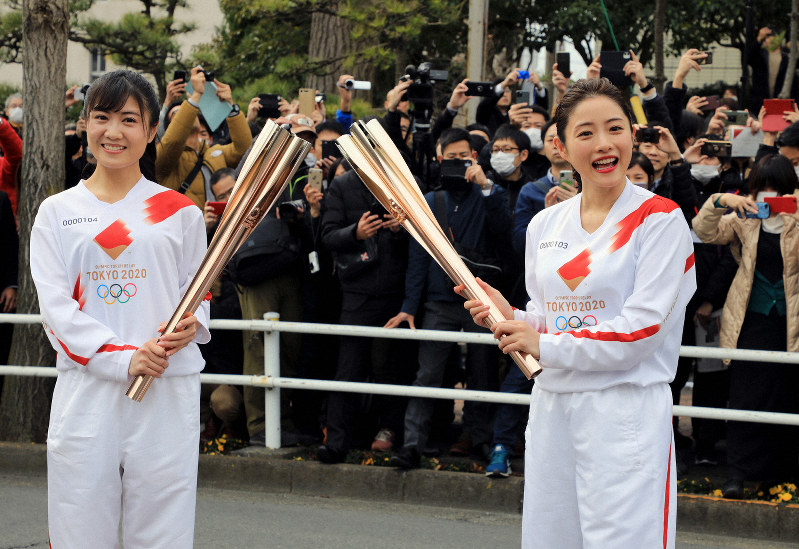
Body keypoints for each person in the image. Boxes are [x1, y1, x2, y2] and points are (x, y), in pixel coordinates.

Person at [462, 78, 695, 548]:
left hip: (623, 411)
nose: (604, 144)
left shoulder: (661, 220)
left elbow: (641, 331)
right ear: (561, 146)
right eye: (586, 133)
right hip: (553, 408)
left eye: (615, 128)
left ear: (633, 135)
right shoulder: (545, 225)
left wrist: (542, 341)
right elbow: (556, 318)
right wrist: (514, 318)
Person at [30, 70, 210, 548]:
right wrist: (122, 356)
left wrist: (191, 326)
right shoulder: (57, 213)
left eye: (130, 119)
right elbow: (55, 308)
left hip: (166, 387)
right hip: (89, 390)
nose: (114, 131)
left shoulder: (179, 212)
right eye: (102, 117)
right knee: (79, 524)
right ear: (85, 123)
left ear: (151, 131)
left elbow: (198, 291)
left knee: (163, 528)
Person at [388, 128, 509, 468]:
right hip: (438, 302)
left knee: (483, 375)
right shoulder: (430, 200)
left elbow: (504, 231)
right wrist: (410, 308)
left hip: (481, 302)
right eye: (451, 158)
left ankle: (481, 441)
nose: (458, 164)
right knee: (427, 375)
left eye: (464, 157)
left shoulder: (487, 195)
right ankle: (412, 445)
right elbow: (418, 259)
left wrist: (485, 185)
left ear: (474, 158)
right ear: (438, 159)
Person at [692, 153, 799, 499]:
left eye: (776, 188)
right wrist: (722, 200)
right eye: (762, 188)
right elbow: (704, 232)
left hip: (791, 323)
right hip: (749, 321)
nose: (768, 195)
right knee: (744, 397)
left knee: (786, 396)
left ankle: (781, 474)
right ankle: (738, 473)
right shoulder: (745, 218)